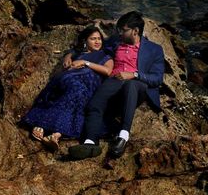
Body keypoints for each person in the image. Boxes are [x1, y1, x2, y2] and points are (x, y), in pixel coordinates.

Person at [68, 11, 165, 161]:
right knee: (94, 104)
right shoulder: (115, 41)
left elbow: (157, 79)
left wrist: (134, 74)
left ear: (135, 31)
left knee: (131, 86)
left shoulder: (154, 49)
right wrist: (70, 54)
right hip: (115, 80)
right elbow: (93, 47)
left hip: (137, 84)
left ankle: (123, 136)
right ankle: (90, 143)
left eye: (123, 30)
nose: (119, 33)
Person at [20, 26, 114, 151]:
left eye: (99, 39)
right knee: (70, 90)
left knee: (78, 93)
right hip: (68, 78)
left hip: (87, 85)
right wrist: (68, 58)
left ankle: (50, 130)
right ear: (85, 41)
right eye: (93, 39)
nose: (97, 42)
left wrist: (85, 63)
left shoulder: (105, 56)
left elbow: (108, 71)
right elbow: (69, 55)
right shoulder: (78, 53)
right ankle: (55, 132)